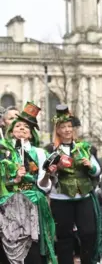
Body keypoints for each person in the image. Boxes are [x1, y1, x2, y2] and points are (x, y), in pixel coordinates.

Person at [0, 102, 57, 264]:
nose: (22, 129)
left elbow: (44, 185)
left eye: (26, 127)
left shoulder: (39, 153)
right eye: (18, 126)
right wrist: (14, 179)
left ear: (31, 134)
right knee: (8, 245)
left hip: (33, 203)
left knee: (33, 247)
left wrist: (47, 174)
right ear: (11, 131)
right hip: (7, 204)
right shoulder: (3, 151)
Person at [46, 104, 102, 264]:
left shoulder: (85, 147)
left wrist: (89, 166)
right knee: (64, 237)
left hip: (83, 195)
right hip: (61, 197)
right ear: (57, 130)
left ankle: (87, 261)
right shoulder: (51, 149)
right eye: (63, 127)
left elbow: (97, 170)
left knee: (89, 232)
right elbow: (45, 174)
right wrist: (54, 169)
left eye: (69, 126)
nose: (67, 130)